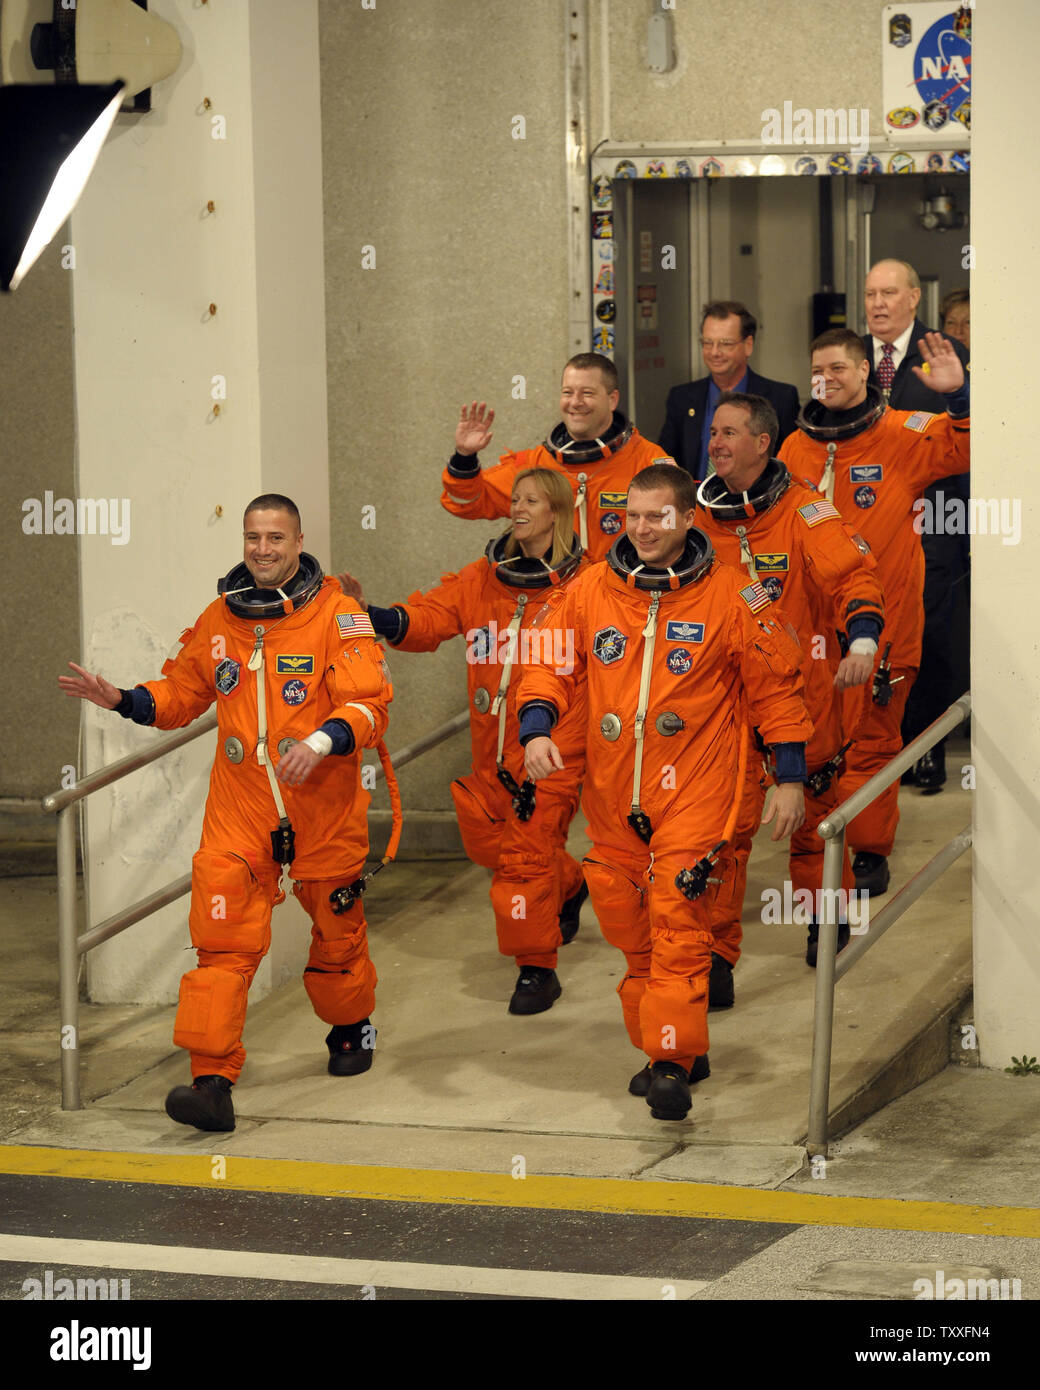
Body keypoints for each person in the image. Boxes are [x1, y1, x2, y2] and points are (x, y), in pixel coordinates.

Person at [58, 496, 393, 1133]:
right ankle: (211, 1082)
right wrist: (121, 698)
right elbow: (182, 694)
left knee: (337, 937)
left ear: (298, 541)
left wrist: (321, 742)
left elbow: (372, 706)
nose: (262, 550)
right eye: (252, 538)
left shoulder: (339, 618)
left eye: (275, 538)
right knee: (221, 947)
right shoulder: (220, 619)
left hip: (321, 808)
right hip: (240, 814)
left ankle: (350, 1024)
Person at [517, 464, 813, 1122]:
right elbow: (546, 661)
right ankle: (671, 1043)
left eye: (658, 516)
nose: (642, 529)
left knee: (679, 921)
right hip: (616, 797)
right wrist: (536, 727)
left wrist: (789, 778)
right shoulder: (592, 589)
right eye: (632, 516)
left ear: (686, 519)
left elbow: (777, 692)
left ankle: (670, 1064)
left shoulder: (735, 598)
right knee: (630, 928)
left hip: (699, 793)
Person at [340, 469, 588, 1015]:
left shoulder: (584, 585)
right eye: (515, 499)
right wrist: (368, 614)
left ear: (557, 512)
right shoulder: (483, 579)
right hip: (491, 748)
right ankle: (569, 884)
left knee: (524, 859)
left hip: (552, 747)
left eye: (532, 500)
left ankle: (535, 969)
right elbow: (430, 616)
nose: (519, 507)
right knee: (491, 846)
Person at [696, 392, 884, 986]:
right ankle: (717, 958)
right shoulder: (697, 521)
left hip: (800, 697)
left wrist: (860, 639)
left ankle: (827, 922)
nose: (716, 443)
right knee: (721, 838)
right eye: (713, 432)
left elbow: (855, 575)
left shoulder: (805, 513)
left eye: (730, 433)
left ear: (762, 443)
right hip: (724, 707)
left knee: (814, 823)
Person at [779, 329, 970, 896]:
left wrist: (958, 397)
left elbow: (970, 444)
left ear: (866, 371)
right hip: (811, 630)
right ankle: (817, 850)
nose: (826, 379)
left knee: (872, 741)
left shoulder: (902, 434)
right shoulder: (794, 448)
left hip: (883, 626)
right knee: (814, 740)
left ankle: (868, 849)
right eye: (818, 369)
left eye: (838, 367)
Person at [862, 259, 971, 793]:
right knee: (871, 636)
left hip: (936, 524)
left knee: (927, 637)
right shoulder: (850, 357)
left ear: (912, 299)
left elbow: (969, 436)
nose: (878, 303)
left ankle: (927, 748)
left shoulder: (943, 354)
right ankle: (883, 751)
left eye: (888, 293)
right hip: (868, 529)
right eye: (870, 295)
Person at [440, 352, 674, 562]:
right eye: (567, 392)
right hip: (553, 597)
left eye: (587, 393)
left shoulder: (648, 462)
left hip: (620, 598)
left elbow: (679, 532)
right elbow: (465, 503)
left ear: (612, 399)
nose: (575, 402)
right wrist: (465, 456)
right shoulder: (533, 465)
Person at [658, 301, 801, 481]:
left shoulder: (781, 399)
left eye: (725, 343)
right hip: (696, 504)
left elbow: (790, 467)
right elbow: (664, 465)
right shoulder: (681, 398)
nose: (715, 352)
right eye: (708, 343)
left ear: (748, 345)